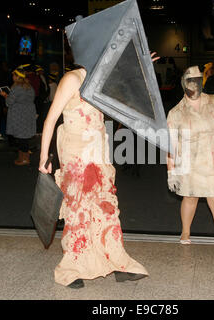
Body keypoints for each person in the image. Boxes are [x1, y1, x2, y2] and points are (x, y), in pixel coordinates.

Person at [38, 64, 150, 289]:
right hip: (76, 153)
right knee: (78, 210)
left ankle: (117, 262)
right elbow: (50, 120)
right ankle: (72, 267)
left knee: (105, 208)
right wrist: (43, 159)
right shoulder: (71, 79)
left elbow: (123, 103)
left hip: (98, 152)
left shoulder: (102, 78)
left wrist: (139, 72)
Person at [167, 66, 214, 263]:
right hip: (189, 164)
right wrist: (171, 172)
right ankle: (185, 231)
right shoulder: (175, 113)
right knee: (190, 199)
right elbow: (171, 146)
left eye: (198, 80)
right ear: (184, 83)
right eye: (190, 80)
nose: (194, 84)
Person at [0, 66, 36, 165]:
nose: (12, 77)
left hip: (19, 114)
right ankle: (22, 157)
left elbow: (9, 102)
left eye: (13, 75)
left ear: (17, 77)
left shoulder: (16, 87)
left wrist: (5, 96)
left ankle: (25, 159)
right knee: (25, 137)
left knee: (21, 138)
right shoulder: (29, 87)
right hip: (28, 113)